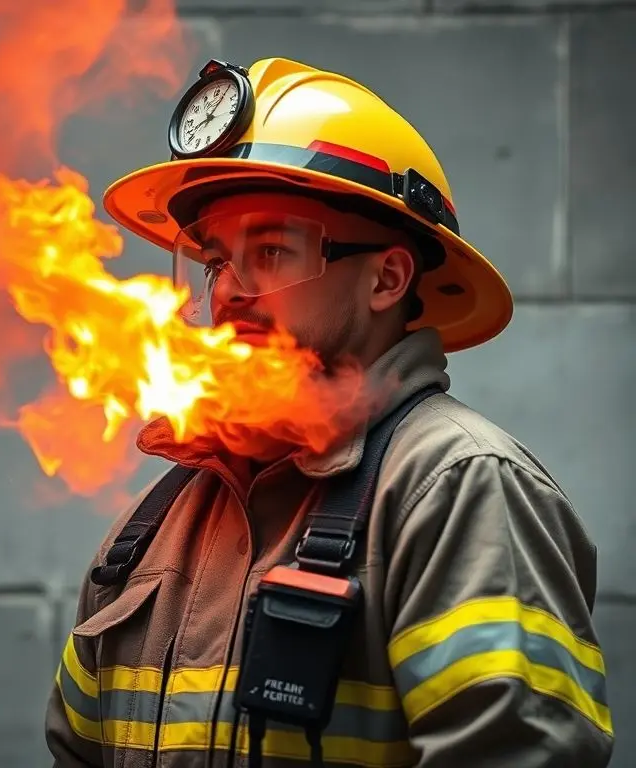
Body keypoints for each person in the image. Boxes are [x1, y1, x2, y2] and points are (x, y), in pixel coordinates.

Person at [46, 57, 614, 767]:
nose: (228, 293)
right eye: (218, 261)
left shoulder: (460, 489)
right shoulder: (151, 530)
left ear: (386, 277)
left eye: (273, 252)